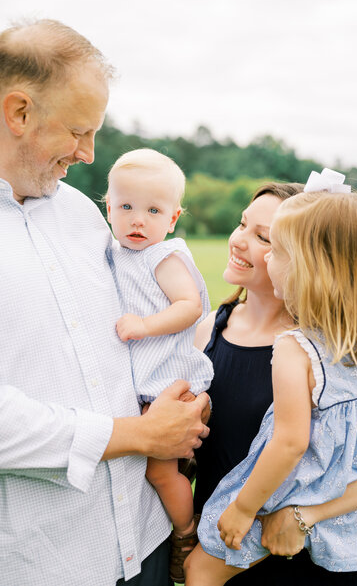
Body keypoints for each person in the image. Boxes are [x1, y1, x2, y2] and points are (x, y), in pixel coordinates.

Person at [0, 18, 209, 586]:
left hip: (143, 539)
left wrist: (182, 397)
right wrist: (139, 436)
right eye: (78, 131)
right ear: (18, 112)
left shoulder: (79, 213)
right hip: (47, 561)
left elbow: (129, 330)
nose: (90, 155)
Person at [191, 176, 357, 585]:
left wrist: (291, 514)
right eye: (241, 223)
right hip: (250, 541)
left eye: (268, 240)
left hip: (300, 542)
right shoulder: (208, 331)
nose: (242, 242)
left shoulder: (305, 349)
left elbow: (292, 441)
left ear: (313, 264)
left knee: (201, 572)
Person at [106, 148, 213, 581]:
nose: (137, 220)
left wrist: (145, 325)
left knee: (159, 469)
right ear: (108, 207)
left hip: (172, 383)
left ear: (172, 219)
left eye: (153, 210)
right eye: (126, 207)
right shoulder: (115, 253)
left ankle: (186, 533)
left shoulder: (162, 257)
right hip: (147, 387)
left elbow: (189, 307)